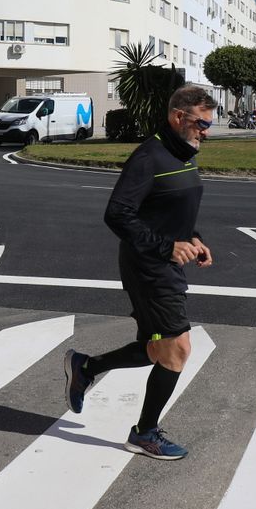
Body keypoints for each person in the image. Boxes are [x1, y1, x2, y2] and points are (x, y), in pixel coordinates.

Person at [63, 85, 216, 460]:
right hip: (148, 268)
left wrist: (193, 239)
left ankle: (86, 367)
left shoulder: (184, 153)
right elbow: (117, 213)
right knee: (177, 348)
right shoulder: (150, 157)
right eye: (201, 123)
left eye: (209, 124)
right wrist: (166, 247)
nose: (206, 131)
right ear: (178, 117)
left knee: (156, 348)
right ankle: (145, 433)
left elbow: (169, 211)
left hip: (166, 262)